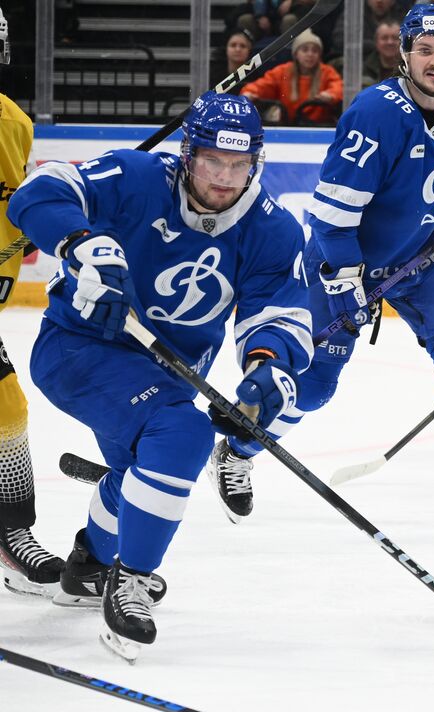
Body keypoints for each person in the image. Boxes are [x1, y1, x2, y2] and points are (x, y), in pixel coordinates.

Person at [10, 93, 312, 660]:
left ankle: (89, 567)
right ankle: (132, 578)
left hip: (164, 369)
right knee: (183, 435)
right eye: (211, 162)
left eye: (239, 164)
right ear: (187, 153)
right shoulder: (135, 175)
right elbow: (38, 193)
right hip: (79, 347)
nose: (224, 179)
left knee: (138, 474)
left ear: (257, 162)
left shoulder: (271, 230)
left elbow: (278, 314)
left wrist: (266, 369)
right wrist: (81, 243)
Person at [215, 5, 434, 532]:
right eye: (424, 50)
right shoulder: (375, 113)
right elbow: (332, 219)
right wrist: (348, 276)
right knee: (312, 386)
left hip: (425, 259)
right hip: (347, 261)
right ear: (405, 54)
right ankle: (238, 450)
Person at [0, 6, 66, 599]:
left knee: (7, 408)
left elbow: (12, 211)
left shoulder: (14, 123)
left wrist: (31, 223)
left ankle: (11, 533)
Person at [239, 29, 343, 126]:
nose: (310, 54)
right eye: (305, 50)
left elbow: (339, 87)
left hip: (318, 127)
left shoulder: (327, 72)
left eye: (315, 51)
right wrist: (249, 93)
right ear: (296, 53)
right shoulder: (282, 71)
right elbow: (262, 85)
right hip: (287, 126)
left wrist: (331, 95)